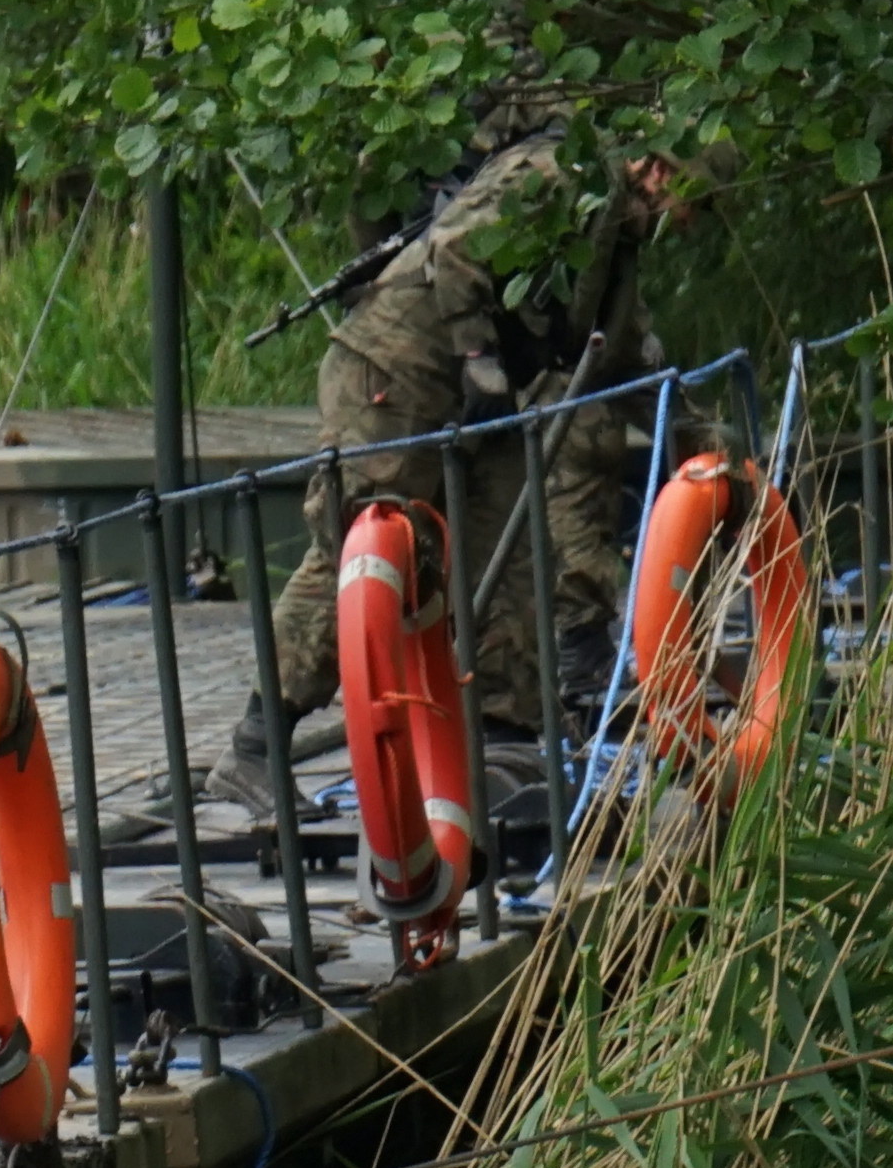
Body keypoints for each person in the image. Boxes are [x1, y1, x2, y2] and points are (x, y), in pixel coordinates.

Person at [246, 119, 689, 756]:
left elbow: (618, 351)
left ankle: (502, 731)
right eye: (695, 203)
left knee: (510, 543)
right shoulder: (561, 172)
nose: (691, 222)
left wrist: (699, 432)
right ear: (664, 171)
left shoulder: (613, 226)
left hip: (489, 393)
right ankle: (261, 734)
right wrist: (477, 351)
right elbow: (454, 247)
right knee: (368, 546)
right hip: (402, 368)